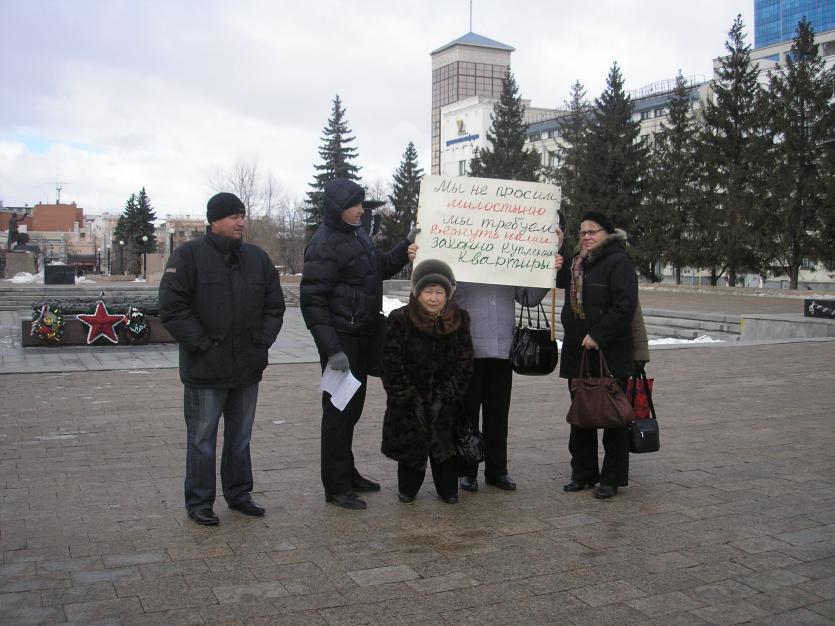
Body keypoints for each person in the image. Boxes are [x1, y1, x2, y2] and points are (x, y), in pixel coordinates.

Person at [159, 192, 286, 525]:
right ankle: (199, 502)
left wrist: (262, 342)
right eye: (233, 216)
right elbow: (173, 309)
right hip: (205, 368)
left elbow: (274, 306)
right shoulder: (187, 257)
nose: (240, 221)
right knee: (202, 439)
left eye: (242, 215)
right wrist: (202, 345)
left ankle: (239, 494)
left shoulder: (257, 259)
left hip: (247, 366)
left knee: (240, 438)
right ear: (213, 220)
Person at [300, 178, 417, 510]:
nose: (362, 209)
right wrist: (332, 348)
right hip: (342, 340)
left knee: (351, 411)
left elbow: (376, 268)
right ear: (340, 208)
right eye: (357, 204)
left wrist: (404, 245)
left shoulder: (356, 235)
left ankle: (347, 473)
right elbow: (312, 301)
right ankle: (335, 486)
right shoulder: (324, 244)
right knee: (338, 412)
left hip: (362, 335)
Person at [454, 220, 564, 493]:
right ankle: (466, 470)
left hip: (502, 352)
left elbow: (528, 297)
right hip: (467, 353)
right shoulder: (459, 261)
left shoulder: (509, 261)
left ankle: (496, 470)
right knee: (467, 415)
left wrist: (547, 267)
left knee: (498, 415)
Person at [556, 210, 638, 499]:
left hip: (610, 353)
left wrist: (599, 335)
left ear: (607, 233)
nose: (587, 237)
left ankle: (611, 478)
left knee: (613, 417)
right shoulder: (578, 263)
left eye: (593, 232)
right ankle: (583, 473)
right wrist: (558, 259)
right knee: (582, 415)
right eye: (583, 233)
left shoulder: (619, 262)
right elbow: (560, 282)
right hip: (577, 352)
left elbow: (624, 306)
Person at [380, 260, 474, 504]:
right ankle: (408, 485)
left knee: (445, 455)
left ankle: (447, 486)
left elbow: (465, 364)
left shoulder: (460, 320)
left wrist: (444, 398)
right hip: (409, 404)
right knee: (411, 458)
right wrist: (412, 399)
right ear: (417, 292)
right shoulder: (400, 319)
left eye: (439, 292)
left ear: (448, 294)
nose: (433, 298)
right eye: (428, 291)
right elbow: (391, 365)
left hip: (446, 404)